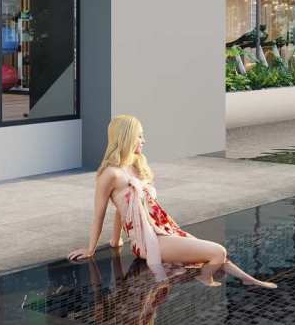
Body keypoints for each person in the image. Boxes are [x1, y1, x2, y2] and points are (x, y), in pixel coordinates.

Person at [68, 116, 277, 289]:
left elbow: (123, 210)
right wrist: (90, 249)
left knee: (211, 252)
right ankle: (205, 277)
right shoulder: (110, 174)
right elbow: (101, 213)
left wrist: (116, 241)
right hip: (149, 242)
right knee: (217, 252)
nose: (144, 140)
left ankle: (248, 279)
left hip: (164, 230)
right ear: (126, 137)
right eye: (139, 136)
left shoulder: (136, 165)